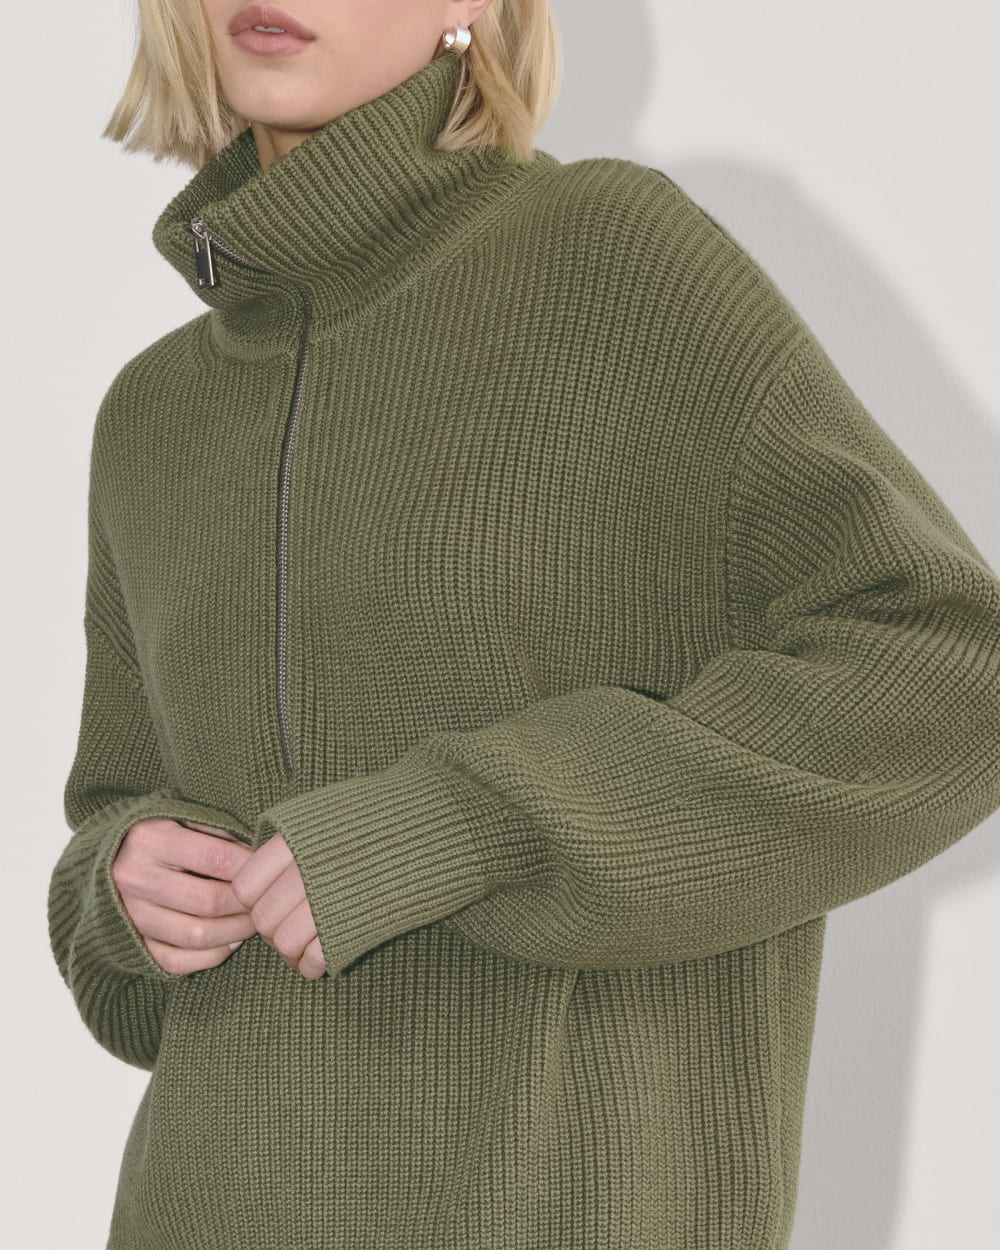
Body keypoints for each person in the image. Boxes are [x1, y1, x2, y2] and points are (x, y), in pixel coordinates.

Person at [47, 2, 1000, 1248]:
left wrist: (465, 820)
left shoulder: (614, 260)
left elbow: (952, 669)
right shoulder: (153, 414)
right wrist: (120, 886)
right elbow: (113, 847)